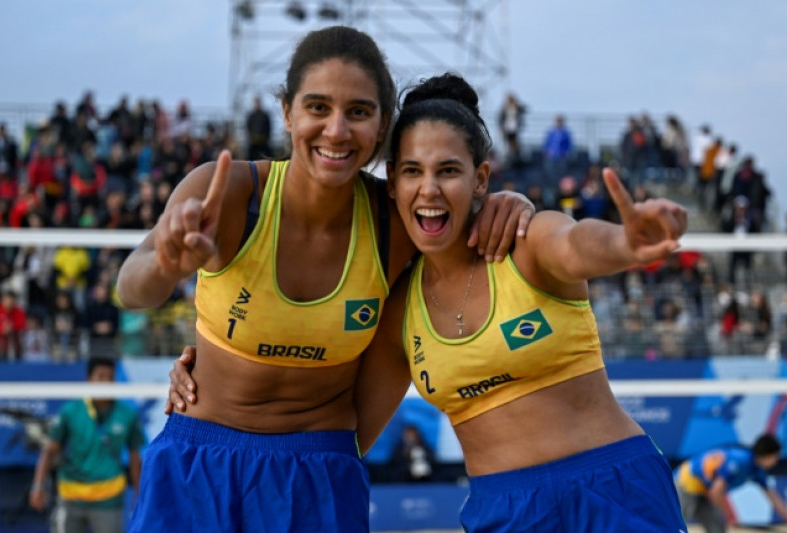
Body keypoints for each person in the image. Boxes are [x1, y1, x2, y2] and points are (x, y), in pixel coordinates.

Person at [173, 72, 688, 532]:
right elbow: (341, 429)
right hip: (502, 510)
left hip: (612, 486)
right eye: (413, 171)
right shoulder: (398, 308)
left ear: (480, 178)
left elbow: (578, 245)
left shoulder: (526, 244)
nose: (430, 189)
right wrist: (216, 384)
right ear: (392, 183)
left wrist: (626, 244)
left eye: (448, 170)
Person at [117, 26, 533, 532]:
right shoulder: (228, 192)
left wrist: (512, 203)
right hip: (199, 462)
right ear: (287, 111)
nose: (336, 130)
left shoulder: (396, 221)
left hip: (319, 476)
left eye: (358, 112)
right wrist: (166, 265)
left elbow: (465, 204)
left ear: (381, 127)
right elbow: (130, 288)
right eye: (318, 108)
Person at [29, 357, 145, 533]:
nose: (106, 382)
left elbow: (135, 457)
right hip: (71, 496)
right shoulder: (71, 411)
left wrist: (140, 493)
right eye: (100, 376)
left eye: (110, 377)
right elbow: (49, 451)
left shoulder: (127, 414)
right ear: (89, 380)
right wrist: (38, 485)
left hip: (108, 499)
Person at [674, 433, 787, 533]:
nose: (776, 462)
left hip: (705, 490)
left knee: (718, 530)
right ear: (767, 455)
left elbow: (774, 499)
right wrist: (730, 516)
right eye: (775, 457)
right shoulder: (740, 461)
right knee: (677, 526)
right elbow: (716, 492)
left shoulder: (757, 470)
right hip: (686, 482)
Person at [245, 95, 272, 160]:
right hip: (253, 145)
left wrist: (264, 138)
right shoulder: (251, 116)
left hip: (264, 145)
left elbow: (268, 128)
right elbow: (248, 128)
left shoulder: (264, 115)